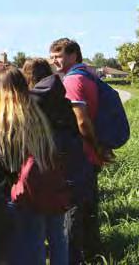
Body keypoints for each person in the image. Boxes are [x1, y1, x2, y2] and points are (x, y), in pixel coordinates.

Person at [0, 66, 59, 265]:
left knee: (11, 254)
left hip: (9, 197)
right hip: (34, 194)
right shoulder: (37, 114)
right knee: (34, 252)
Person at [22, 58, 86, 265]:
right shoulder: (62, 100)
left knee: (37, 236)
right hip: (60, 173)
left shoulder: (29, 103)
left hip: (37, 175)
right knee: (58, 234)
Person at [49, 38, 103, 262]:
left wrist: (95, 146)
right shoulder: (88, 76)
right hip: (90, 153)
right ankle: (94, 253)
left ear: (73, 55)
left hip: (80, 154)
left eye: (58, 56)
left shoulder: (72, 81)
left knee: (73, 210)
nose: (54, 61)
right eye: (52, 57)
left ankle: (71, 258)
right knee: (88, 207)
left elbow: (81, 121)